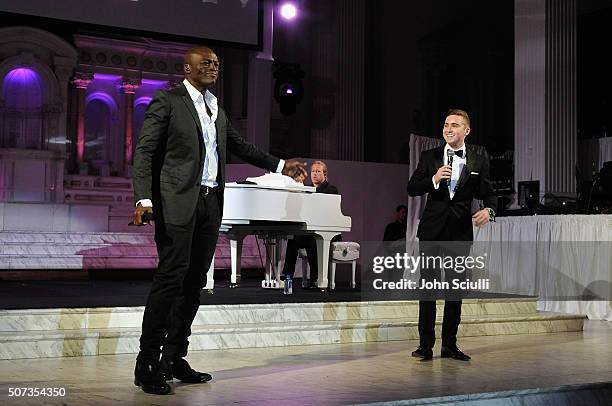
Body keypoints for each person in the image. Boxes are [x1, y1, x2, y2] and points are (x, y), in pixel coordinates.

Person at [131, 46, 307, 395]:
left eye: (216, 63)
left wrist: (279, 165)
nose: (213, 67)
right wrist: (144, 197)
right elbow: (145, 151)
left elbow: (239, 146)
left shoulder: (215, 107)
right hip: (177, 202)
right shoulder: (169, 101)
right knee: (170, 280)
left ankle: (174, 358)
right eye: (206, 63)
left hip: (211, 203)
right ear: (187, 67)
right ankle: (147, 362)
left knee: (194, 282)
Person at [406, 109, 496, 361]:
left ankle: (449, 345)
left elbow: (489, 193)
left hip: (459, 233)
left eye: (454, 125)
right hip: (432, 231)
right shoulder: (429, 157)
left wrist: (489, 210)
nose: (448, 129)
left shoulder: (478, 160)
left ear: (466, 130)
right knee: (429, 288)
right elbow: (412, 188)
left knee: (455, 290)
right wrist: (433, 179)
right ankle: (425, 345)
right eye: (446, 125)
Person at [282, 160, 338, 289]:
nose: (314, 174)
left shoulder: (331, 189)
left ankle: (315, 279)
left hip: (325, 230)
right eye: (313, 171)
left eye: (318, 171)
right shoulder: (305, 188)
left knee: (314, 242)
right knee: (293, 240)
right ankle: (288, 276)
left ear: (325, 174)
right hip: (309, 230)